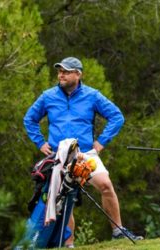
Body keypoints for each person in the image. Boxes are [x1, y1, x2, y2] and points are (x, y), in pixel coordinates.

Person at [23, 57, 143, 247]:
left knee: (105, 184)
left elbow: (116, 117)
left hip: (85, 154)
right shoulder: (48, 96)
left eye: (66, 71)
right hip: (59, 156)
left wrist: (101, 142)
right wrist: (40, 143)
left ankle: (118, 231)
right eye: (59, 71)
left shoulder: (92, 95)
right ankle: (69, 243)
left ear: (78, 74)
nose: (61, 75)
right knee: (65, 199)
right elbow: (29, 119)